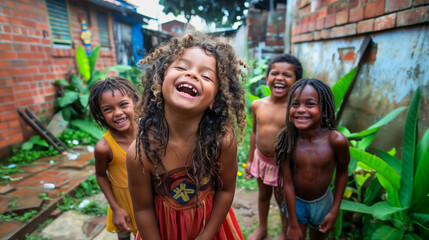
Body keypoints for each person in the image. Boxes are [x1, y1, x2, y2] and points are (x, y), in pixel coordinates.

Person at [126, 33, 246, 240]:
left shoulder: (221, 141)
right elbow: (143, 209)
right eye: (181, 67)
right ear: (160, 80)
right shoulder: (141, 153)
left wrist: (206, 236)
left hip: (211, 229)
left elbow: (225, 192)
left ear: (214, 99)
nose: (192, 75)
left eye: (206, 76)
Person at [275, 78, 350, 240]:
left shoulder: (336, 141)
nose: (301, 110)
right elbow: (286, 182)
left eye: (310, 104)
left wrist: (334, 210)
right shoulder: (287, 141)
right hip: (295, 201)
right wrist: (293, 224)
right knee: (295, 236)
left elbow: (343, 172)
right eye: (295, 104)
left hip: (323, 203)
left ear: (324, 111)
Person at [245, 54, 303, 240]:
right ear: (267, 78)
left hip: (284, 165)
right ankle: (262, 228)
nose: (279, 78)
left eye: (287, 74)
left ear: (297, 81)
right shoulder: (257, 105)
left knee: (284, 201)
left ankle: (284, 233)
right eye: (274, 73)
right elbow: (254, 131)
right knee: (263, 196)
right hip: (262, 160)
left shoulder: (295, 109)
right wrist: (249, 159)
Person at [89, 77, 140, 240]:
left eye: (123, 104)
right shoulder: (104, 147)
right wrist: (116, 208)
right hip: (122, 202)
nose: (118, 113)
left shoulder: (149, 133)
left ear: (135, 102)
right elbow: (101, 175)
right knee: (124, 235)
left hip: (150, 198)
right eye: (108, 109)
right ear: (101, 114)